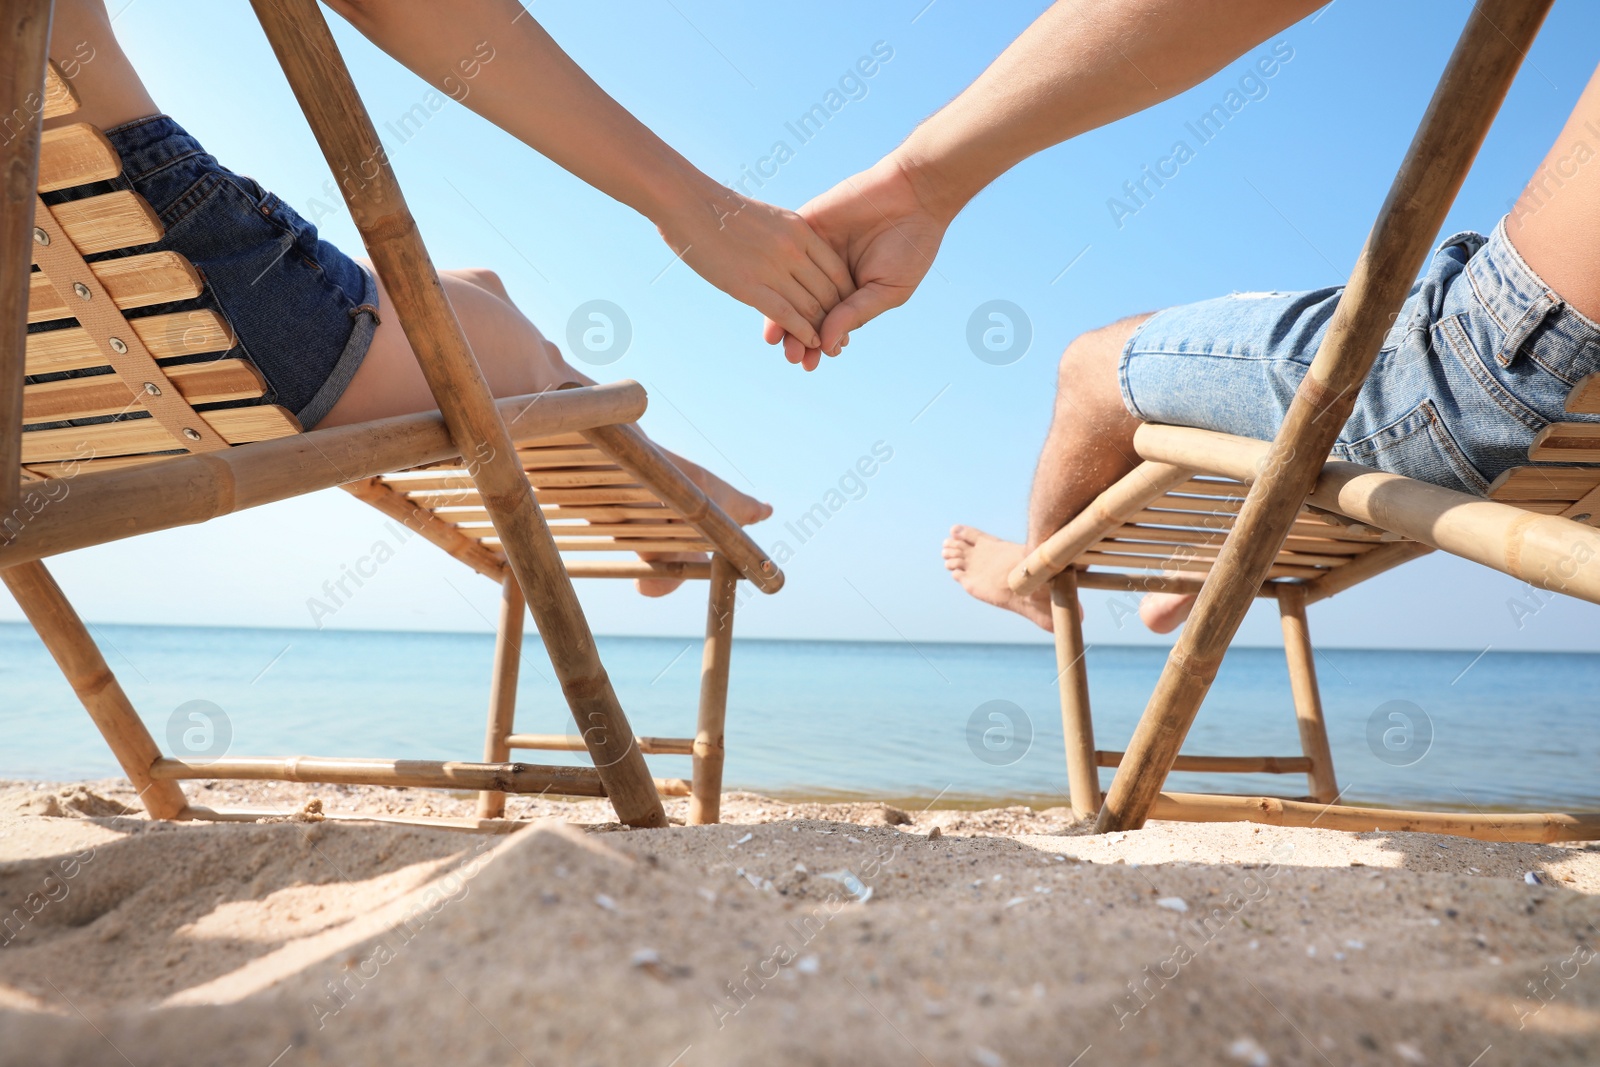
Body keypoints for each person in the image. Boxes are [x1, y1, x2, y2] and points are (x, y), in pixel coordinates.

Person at [767, 0, 1600, 632]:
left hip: (1491, 373)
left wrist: (924, 179)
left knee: (1090, 367)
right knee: (1297, 359)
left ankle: (1036, 575)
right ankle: (1210, 551)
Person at [38, 0, 858, 594]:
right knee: (506, 347)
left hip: (36, 383)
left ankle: (671, 492)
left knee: (476, 292)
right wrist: (689, 202)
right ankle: (674, 494)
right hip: (186, 294)